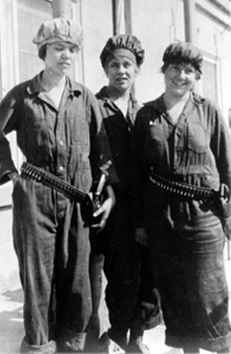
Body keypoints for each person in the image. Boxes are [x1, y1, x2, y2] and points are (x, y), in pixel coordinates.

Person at [0, 18, 116, 354]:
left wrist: (105, 192)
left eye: (71, 49)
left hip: (77, 201)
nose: (65, 55)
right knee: (38, 280)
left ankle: (73, 346)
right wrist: (10, 173)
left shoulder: (84, 98)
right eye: (58, 48)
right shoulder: (23, 95)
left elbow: (105, 154)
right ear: (44, 53)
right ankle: (40, 347)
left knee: (77, 281)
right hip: (35, 200)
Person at [133, 41, 231, 354]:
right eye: (175, 68)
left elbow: (228, 168)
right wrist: (141, 223)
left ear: (196, 76)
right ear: (164, 71)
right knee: (174, 294)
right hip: (161, 218)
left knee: (210, 292)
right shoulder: (147, 115)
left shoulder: (208, 110)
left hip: (204, 217)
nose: (181, 76)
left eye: (188, 71)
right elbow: (138, 176)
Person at [86, 34, 161, 354]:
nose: (121, 70)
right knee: (120, 273)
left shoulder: (145, 111)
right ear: (105, 69)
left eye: (127, 64)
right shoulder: (92, 106)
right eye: (114, 64)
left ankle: (139, 336)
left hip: (143, 204)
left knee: (148, 271)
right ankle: (116, 334)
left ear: (137, 69)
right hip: (110, 204)